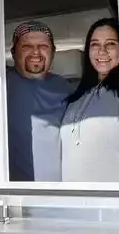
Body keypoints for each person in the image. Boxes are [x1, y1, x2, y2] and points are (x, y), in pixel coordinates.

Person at [60, 18, 119, 182]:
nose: (101, 51)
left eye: (110, 44)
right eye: (95, 44)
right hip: (74, 204)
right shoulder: (78, 95)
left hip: (116, 204)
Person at [7, 21, 72, 181]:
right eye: (26, 46)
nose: (35, 52)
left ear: (53, 52)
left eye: (43, 46)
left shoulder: (65, 87)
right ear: (13, 53)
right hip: (15, 195)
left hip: (61, 194)